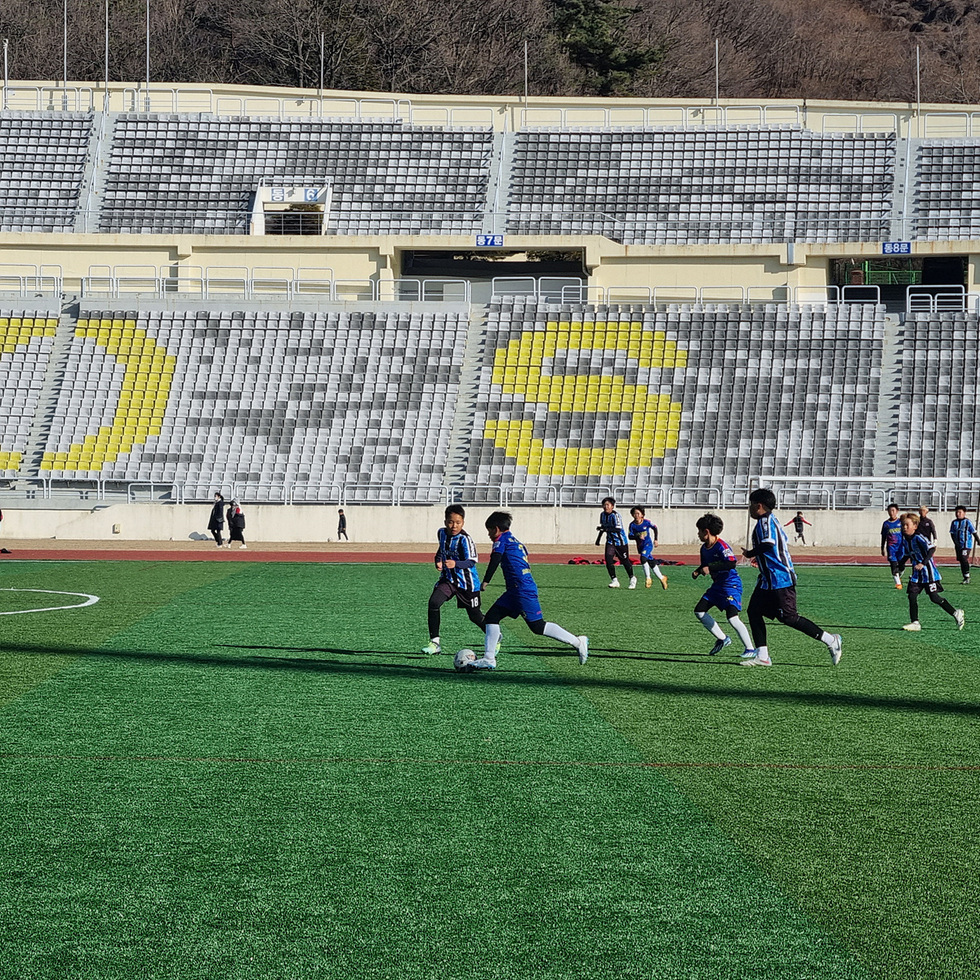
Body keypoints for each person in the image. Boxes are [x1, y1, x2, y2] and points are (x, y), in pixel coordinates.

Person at [472, 511, 588, 670]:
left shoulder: (501, 541)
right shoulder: (515, 541)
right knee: (492, 617)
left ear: (497, 529)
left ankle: (578, 641)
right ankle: (489, 658)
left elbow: (495, 560)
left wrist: (485, 581)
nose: (489, 534)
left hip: (521, 590)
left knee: (537, 626)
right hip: (516, 590)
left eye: (490, 530)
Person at [741, 487, 842, 668]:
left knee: (789, 617)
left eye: (751, 505)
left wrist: (751, 553)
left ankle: (831, 640)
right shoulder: (770, 520)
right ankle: (763, 656)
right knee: (754, 611)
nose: (749, 508)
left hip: (780, 578)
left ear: (759, 506)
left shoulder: (765, 521)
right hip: (768, 579)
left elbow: (769, 543)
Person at [421, 504, 486, 655]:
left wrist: (455, 563)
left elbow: (472, 561)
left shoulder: (465, 539)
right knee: (434, 603)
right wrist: (437, 560)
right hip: (448, 580)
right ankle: (435, 643)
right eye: (451, 522)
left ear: (463, 522)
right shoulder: (441, 533)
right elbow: (441, 549)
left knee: (475, 616)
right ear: (445, 522)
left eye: (458, 522)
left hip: (467, 582)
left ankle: (495, 636)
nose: (454, 525)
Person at [692, 513, 754, 657]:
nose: (698, 534)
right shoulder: (704, 548)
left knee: (732, 617)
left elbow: (731, 563)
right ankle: (723, 638)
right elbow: (705, 564)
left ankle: (750, 649)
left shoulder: (722, 546)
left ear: (706, 532)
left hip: (731, 585)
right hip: (717, 586)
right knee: (699, 611)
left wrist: (710, 568)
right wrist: (698, 571)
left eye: (699, 531)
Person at [902, 511, 964, 632]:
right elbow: (907, 554)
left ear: (914, 526)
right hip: (916, 574)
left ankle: (956, 613)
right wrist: (899, 566)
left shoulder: (919, 537)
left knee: (934, 597)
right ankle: (915, 622)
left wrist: (923, 563)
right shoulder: (906, 540)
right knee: (912, 596)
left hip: (928, 573)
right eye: (903, 525)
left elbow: (931, 549)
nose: (904, 527)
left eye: (907, 525)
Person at [596, 497, 636, 589]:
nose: (606, 507)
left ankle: (632, 578)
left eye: (608, 505)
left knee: (625, 561)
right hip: (610, 542)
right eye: (604, 505)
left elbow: (618, 529)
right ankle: (614, 580)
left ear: (612, 506)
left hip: (620, 542)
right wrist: (598, 539)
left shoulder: (616, 515)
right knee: (608, 560)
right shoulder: (602, 515)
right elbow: (603, 527)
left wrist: (606, 529)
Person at [628, 506, 668, 590]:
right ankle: (662, 578)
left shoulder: (646, 522)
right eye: (634, 514)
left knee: (643, 559)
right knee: (651, 562)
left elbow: (655, 527)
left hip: (648, 544)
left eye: (638, 513)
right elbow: (630, 536)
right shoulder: (632, 525)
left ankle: (648, 578)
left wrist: (656, 539)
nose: (636, 515)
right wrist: (637, 536)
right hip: (640, 546)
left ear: (642, 514)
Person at [949, 506, 980, 584]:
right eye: (957, 512)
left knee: (963, 558)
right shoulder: (954, 522)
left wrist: (978, 541)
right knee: (961, 560)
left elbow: (974, 532)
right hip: (958, 545)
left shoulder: (967, 522)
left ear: (964, 513)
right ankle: (965, 577)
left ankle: (967, 576)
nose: (958, 514)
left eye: (960, 512)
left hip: (966, 545)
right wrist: (955, 542)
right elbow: (952, 533)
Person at [880, 502, 907, 589]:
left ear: (897, 511)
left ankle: (901, 571)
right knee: (893, 565)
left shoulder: (901, 522)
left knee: (901, 565)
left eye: (893, 510)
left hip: (900, 547)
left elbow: (905, 534)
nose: (891, 513)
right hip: (891, 548)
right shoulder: (886, 524)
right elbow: (884, 536)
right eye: (889, 511)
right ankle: (898, 583)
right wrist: (882, 548)